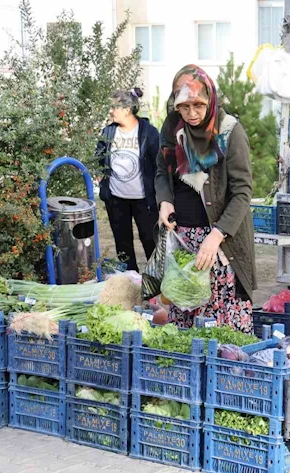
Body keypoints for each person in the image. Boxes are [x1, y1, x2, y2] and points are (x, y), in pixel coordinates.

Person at [155, 64, 256, 332]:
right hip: (184, 239)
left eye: (198, 105)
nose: (192, 114)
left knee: (221, 328)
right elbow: (162, 170)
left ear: (210, 99)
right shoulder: (172, 128)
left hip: (221, 244)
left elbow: (243, 191)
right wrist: (165, 201)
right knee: (183, 322)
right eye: (184, 107)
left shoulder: (230, 133)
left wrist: (216, 235)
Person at [96, 88, 160, 273]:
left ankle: (155, 281)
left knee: (150, 240)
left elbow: (160, 165)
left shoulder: (149, 132)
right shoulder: (108, 132)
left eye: (114, 107)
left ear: (126, 109)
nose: (110, 111)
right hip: (116, 199)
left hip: (144, 200)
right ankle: (131, 280)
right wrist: (102, 180)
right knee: (122, 244)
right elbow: (98, 158)